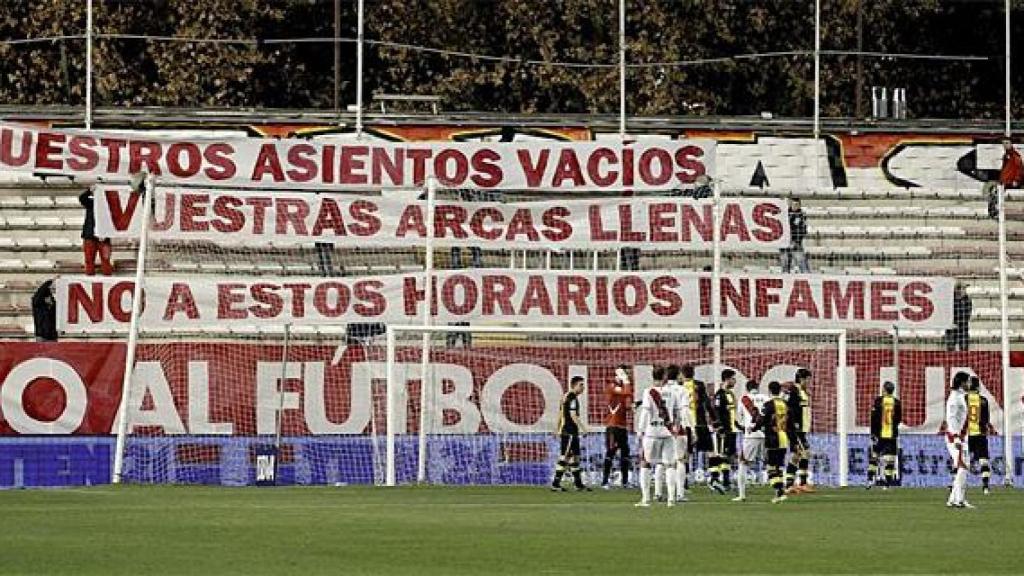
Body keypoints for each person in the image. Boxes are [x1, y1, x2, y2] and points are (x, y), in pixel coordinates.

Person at [635, 369, 679, 507]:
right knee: (670, 465)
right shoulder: (672, 392)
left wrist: (640, 430)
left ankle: (646, 498)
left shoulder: (649, 392)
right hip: (668, 431)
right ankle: (671, 499)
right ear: (664, 377)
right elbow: (677, 412)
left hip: (652, 432)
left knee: (645, 463)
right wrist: (676, 426)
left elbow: (646, 412)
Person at [551, 376, 590, 492]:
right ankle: (555, 484)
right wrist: (583, 428)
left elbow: (560, 413)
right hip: (569, 431)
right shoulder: (572, 398)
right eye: (581, 385)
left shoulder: (565, 396)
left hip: (567, 430)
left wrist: (557, 428)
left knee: (575, 457)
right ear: (574, 385)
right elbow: (573, 416)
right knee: (565, 457)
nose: (583, 387)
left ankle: (578, 484)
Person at [755, 381, 790, 504]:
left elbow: (761, 420)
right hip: (784, 437)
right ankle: (780, 491)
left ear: (769, 391)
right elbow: (790, 422)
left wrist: (754, 428)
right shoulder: (785, 404)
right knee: (779, 467)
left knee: (771, 467)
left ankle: (779, 490)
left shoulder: (768, 404)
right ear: (779, 390)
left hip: (772, 438)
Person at [680, 364, 715, 488]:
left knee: (686, 453)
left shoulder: (679, 387)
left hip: (685, 424)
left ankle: (684, 481)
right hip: (700, 423)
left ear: (682, 374)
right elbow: (707, 403)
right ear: (693, 373)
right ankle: (714, 478)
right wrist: (715, 420)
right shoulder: (699, 385)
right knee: (710, 450)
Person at [734, 379, 768, 502]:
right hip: (766, 435)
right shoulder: (766, 398)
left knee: (743, 463)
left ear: (747, 388)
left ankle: (742, 495)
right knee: (772, 463)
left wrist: (744, 427)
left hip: (751, 435)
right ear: (757, 387)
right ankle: (779, 492)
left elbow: (739, 419)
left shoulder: (744, 399)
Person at [601, 365, 634, 489]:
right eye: (627, 373)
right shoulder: (611, 386)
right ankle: (605, 481)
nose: (629, 376)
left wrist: (632, 407)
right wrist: (625, 379)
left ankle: (625, 482)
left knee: (625, 453)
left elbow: (624, 404)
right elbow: (627, 391)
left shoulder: (622, 388)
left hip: (622, 426)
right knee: (610, 452)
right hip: (612, 425)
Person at [663, 364, 692, 502]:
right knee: (680, 460)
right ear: (679, 375)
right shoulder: (682, 390)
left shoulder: (661, 389)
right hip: (678, 428)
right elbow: (685, 410)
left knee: (664, 462)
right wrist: (688, 427)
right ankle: (680, 494)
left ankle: (658, 493)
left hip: (662, 429)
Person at [944, 371, 972, 508]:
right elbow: (951, 418)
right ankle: (958, 500)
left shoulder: (960, 396)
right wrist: (956, 437)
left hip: (960, 437)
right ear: (962, 383)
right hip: (955, 438)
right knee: (963, 466)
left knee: (963, 467)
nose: (969, 384)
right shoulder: (955, 398)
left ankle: (954, 499)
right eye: (968, 381)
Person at [785, 369, 815, 494]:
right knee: (805, 453)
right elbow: (790, 410)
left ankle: (790, 484)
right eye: (808, 379)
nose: (809, 382)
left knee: (797, 455)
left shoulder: (802, 392)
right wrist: (794, 426)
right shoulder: (794, 391)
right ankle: (801, 483)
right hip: (796, 430)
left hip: (802, 429)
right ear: (802, 379)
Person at [868, 381, 902, 489]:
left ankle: (870, 481)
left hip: (879, 434)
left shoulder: (878, 401)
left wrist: (873, 432)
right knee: (890, 460)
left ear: (884, 389)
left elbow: (873, 418)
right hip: (892, 435)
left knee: (874, 457)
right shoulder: (897, 402)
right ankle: (887, 484)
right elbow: (898, 419)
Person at [710, 369, 739, 494]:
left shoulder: (731, 394)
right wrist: (719, 426)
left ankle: (724, 481)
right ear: (727, 379)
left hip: (732, 429)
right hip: (723, 430)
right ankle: (716, 480)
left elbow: (732, 413)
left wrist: (739, 425)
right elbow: (715, 411)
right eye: (733, 378)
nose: (735, 381)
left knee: (728, 456)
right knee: (721, 455)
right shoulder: (719, 394)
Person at [965, 376, 996, 495]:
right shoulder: (983, 400)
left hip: (967, 434)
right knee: (983, 460)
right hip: (980, 434)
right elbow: (986, 420)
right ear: (978, 386)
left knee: (962, 461)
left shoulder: (964, 398)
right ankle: (985, 486)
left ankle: (955, 484)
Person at [983, 139, 1022, 219]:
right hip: (1005, 180)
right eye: (1003, 143)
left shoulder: (1015, 156)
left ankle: (994, 213)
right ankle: (994, 213)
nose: (1005, 145)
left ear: (1011, 144)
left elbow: (1019, 169)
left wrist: (1016, 180)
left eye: (1007, 143)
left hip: (1009, 181)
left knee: (995, 195)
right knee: (995, 195)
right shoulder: (1007, 155)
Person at [78, 189, 113, 275]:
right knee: (89, 261)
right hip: (90, 236)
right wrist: (89, 191)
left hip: (104, 236)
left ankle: (107, 280)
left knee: (106, 261)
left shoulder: (108, 204)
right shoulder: (91, 203)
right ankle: (90, 280)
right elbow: (82, 198)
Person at [779, 197, 809, 273]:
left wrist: (796, 241)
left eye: (797, 204)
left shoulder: (802, 215)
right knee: (785, 265)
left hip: (796, 243)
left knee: (802, 264)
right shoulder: (784, 214)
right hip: (785, 243)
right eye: (794, 204)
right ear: (790, 204)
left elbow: (803, 230)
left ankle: (808, 278)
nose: (796, 206)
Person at [945, 283, 972, 351]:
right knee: (950, 348)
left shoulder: (967, 300)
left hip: (963, 327)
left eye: (964, 289)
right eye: (962, 288)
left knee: (964, 348)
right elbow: (947, 313)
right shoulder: (950, 300)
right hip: (951, 327)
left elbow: (967, 314)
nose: (963, 290)